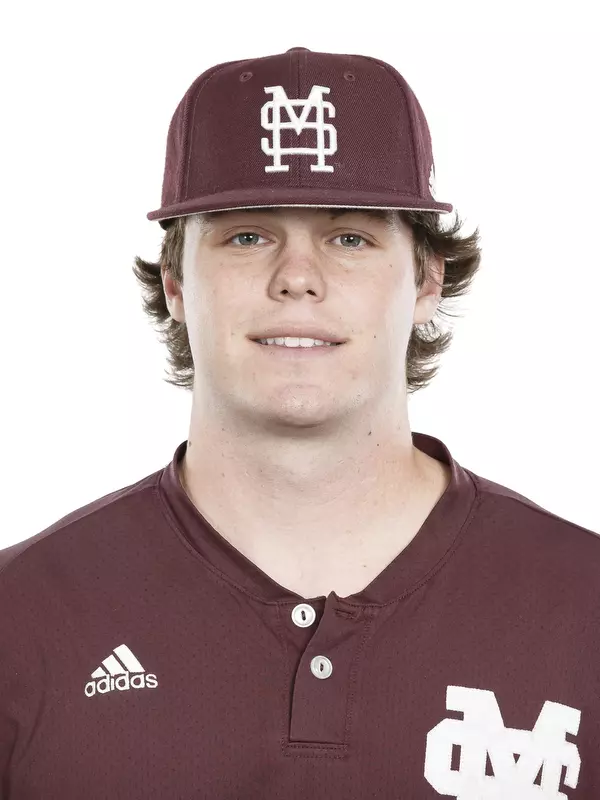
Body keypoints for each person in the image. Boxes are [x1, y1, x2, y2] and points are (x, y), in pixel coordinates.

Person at [1, 46, 599, 799]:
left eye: (349, 237)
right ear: (176, 283)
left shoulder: (582, 607)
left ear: (427, 279)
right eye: (247, 235)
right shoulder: (22, 617)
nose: (297, 277)